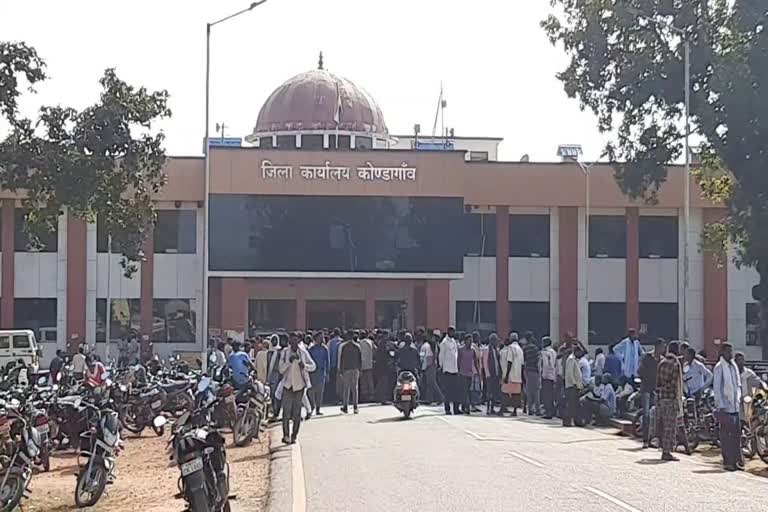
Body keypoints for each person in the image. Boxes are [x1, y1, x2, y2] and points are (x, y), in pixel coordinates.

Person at [278, 334, 316, 444]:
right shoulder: (285, 353)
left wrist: (304, 365)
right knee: (286, 412)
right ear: (289, 341)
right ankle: (285, 436)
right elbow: (281, 370)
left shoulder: (303, 353)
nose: (294, 343)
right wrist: (289, 362)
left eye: (296, 341)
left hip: (299, 387)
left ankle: (294, 435)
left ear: (299, 341)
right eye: (292, 341)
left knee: (297, 413)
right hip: (288, 386)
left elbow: (313, 366)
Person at [713, 343, 743, 471]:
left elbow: (737, 385)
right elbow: (717, 388)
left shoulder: (733, 366)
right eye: (728, 352)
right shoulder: (719, 367)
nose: (730, 354)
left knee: (736, 436)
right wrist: (720, 405)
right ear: (722, 353)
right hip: (725, 408)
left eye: (731, 351)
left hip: (735, 407)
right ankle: (727, 461)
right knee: (726, 436)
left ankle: (736, 461)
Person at [656, 341, 685, 462]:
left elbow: (657, 383)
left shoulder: (661, 363)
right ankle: (666, 452)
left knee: (664, 425)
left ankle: (664, 448)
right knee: (670, 427)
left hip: (662, 398)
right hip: (671, 399)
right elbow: (674, 384)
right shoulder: (675, 364)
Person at [638, 338, 665, 448]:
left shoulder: (662, 360)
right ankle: (645, 439)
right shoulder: (647, 357)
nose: (663, 349)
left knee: (657, 416)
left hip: (658, 390)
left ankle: (655, 439)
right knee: (647, 415)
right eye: (662, 346)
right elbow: (640, 372)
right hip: (647, 389)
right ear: (657, 346)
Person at [338, 331, 362, 414]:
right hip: (355, 369)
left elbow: (342, 359)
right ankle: (355, 407)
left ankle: (345, 406)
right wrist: (360, 369)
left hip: (347, 369)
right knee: (355, 388)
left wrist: (341, 369)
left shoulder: (344, 347)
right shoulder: (357, 346)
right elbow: (360, 359)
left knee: (346, 389)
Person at [500, 333, 524, 416]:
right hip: (518, 375)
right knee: (516, 394)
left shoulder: (510, 348)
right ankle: (515, 411)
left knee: (504, 392)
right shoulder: (520, 349)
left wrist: (506, 375)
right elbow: (522, 364)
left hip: (511, 375)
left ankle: (502, 409)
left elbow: (509, 361)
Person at [438, 327, 460, 415]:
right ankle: (447, 409)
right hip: (447, 369)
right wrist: (441, 366)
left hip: (454, 369)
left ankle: (456, 409)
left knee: (455, 390)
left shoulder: (454, 341)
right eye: (452, 331)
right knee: (447, 391)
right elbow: (441, 355)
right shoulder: (444, 342)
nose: (453, 333)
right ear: (448, 332)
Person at [307, 333, 329, 416]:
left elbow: (327, 361)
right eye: (320, 338)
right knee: (311, 391)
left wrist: (327, 373)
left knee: (320, 392)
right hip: (312, 373)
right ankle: (312, 406)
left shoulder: (324, 349)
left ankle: (318, 409)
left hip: (321, 372)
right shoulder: (311, 349)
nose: (321, 339)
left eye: (322, 338)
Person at [419, 331, 442, 405]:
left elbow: (425, 357)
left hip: (429, 366)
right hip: (432, 365)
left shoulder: (426, 346)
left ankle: (440, 397)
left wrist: (425, 367)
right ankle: (429, 399)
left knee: (432, 383)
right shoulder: (432, 345)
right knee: (430, 383)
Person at [458, 334, 477, 415]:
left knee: (468, 390)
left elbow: (475, 361)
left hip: (470, 373)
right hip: (462, 373)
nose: (470, 342)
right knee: (464, 390)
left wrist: (477, 371)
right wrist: (458, 370)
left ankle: (464, 406)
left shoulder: (473, 350)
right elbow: (458, 360)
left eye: (471, 341)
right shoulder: (461, 350)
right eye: (468, 341)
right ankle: (467, 406)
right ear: (465, 341)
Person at [374, 334, 397, 405]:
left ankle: (379, 397)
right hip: (383, 367)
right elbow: (390, 354)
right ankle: (383, 399)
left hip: (380, 366)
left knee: (381, 382)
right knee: (384, 383)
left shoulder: (380, 345)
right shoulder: (384, 346)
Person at [483, 333, 502, 415]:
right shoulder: (487, 349)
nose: (497, 342)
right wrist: (487, 373)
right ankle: (488, 408)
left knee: (494, 392)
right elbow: (485, 362)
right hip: (490, 374)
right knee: (489, 392)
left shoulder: (496, 350)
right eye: (495, 340)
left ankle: (492, 408)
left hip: (496, 374)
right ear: (492, 341)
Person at [522, 333, 541, 415]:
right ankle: (537, 409)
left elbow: (524, 360)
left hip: (527, 370)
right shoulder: (535, 348)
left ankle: (530, 409)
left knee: (529, 391)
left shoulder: (524, 348)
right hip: (535, 371)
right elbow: (538, 360)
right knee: (536, 391)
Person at [539, 337, 557, 419]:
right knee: (551, 395)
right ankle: (552, 411)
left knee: (546, 395)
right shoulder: (553, 352)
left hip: (546, 376)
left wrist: (543, 375)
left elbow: (545, 365)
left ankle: (548, 413)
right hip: (553, 375)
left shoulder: (545, 352)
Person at [327, 328, 342, 404]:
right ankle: (340, 397)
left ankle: (332, 398)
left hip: (332, 365)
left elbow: (328, 354)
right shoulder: (342, 342)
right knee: (340, 383)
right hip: (341, 366)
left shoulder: (330, 342)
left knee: (332, 382)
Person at [358, 331, 375, 402]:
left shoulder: (359, 343)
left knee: (363, 381)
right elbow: (374, 350)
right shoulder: (370, 342)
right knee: (370, 380)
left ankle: (364, 396)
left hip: (361, 365)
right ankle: (371, 395)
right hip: (369, 364)